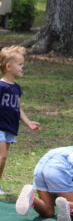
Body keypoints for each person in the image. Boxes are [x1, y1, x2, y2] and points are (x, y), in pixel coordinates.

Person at [0, 46, 41, 195]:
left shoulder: (16, 88)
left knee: (3, 159)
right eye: (19, 64)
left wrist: (28, 122)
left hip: (10, 127)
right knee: (2, 156)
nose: (22, 67)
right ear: (8, 66)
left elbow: (17, 107)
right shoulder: (1, 86)